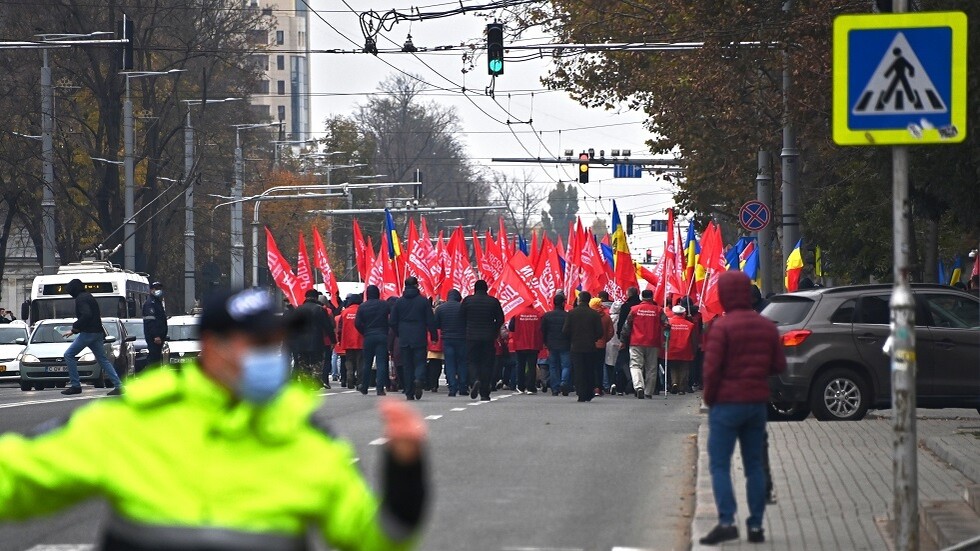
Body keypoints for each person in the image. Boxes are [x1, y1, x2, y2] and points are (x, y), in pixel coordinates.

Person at [0, 287, 429, 550]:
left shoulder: (306, 440)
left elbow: (376, 537)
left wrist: (405, 471)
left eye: (273, 343)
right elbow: (16, 478)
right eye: (255, 343)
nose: (268, 355)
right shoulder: (133, 422)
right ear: (212, 346)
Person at [698, 272, 787, 546]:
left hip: (726, 405)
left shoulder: (721, 328)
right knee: (754, 466)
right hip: (756, 404)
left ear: (725, 295)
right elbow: (779, 365)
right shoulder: (766, 326)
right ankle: (756, 525)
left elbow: (711, 371)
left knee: (720, 464)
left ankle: (727, 522)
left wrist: (710, 398)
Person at [60, 279, 124, 396]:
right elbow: (92, 316)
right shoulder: (88, 296)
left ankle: (75, 385)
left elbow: (86, 314)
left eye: (70, 291)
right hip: (97, 332)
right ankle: (118, 385)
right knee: (103, 360)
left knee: (68, 355)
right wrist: (75, 330)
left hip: (88, 333)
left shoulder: (80, 299)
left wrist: (75, 327)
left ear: (74, 290)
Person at [389, 277, 437, 401]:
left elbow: (392, 321)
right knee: (420, 362)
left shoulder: (399, 302)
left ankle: (409, 392)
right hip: (419, 335)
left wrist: (399, 333)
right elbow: (430, 320)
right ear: (416, 285)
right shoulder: (423, 301)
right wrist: (434, 336)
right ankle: (419, 379)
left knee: (407, 365)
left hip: (404, 336)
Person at [460, 279, 504, 401]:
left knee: (472, 361)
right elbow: (500, 319)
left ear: (475, 289)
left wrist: (466, 330)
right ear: (486, 289)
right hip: (488, 337)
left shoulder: (468, 301)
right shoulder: (493, 301)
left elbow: (461, 317)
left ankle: (475, 379)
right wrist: (494, 330)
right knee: (486, 364)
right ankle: (485, 393)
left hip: (471, 336)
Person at [562, 291, 603, 403]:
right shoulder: (594, 314)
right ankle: (589, 392)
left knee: (578, 370)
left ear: (579, 300)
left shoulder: (572, 313)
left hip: (576, 346)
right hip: (590, 346)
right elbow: (600, 332)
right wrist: (594, 338)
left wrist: (572, 338)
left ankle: (581, 393)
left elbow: (565, 330)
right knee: (589, 369)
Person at [621, 289, 663, 399]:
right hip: (653, 342)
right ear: (652, 297)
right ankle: (649, 391)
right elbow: (666, 324)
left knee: (635, 365)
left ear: (642, 297)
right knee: (652, 367)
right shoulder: (659, 310)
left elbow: (627, 326)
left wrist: (623, 340)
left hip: (636, 341)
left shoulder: (634, 309)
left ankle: (639, 386)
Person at [290, 289, 333, 388]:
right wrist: (333, 340)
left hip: (301, 341)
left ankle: (306, 383)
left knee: (303, 362)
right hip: (316, 340)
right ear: (316, 297)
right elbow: (327, 326)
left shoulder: (298, 309)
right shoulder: (320, 309)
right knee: (317, 361)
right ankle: (316, 380)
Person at [355, 285, 391, 396]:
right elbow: (391, 319)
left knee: (367, 362)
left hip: (368, 335)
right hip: (382, 334)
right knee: (381, 362)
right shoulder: (384, 305)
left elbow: (357, 323)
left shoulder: (362, 307)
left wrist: (364, 332)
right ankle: (380, 388)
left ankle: (364, 386)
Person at [434, 289, 467, 397]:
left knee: (449, 363)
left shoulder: (441, 308)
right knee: (462, 362)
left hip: (447, 338)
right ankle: (463, 387)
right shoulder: (463, 308)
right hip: (461, 338)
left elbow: (436, 324)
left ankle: (452, 388)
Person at [508, 302, 543, 394]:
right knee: (532, 366)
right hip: (533, 342)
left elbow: (511, 328)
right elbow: (542, 328)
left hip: (520, 343)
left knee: (520, 365)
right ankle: (530, 387)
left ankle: (520, 386)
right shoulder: (538, 314)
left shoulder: (517, 313)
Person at [540, 293, 571, 396]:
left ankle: (555, 388)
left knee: (553, 366)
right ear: (563, 303)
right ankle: (564, 382)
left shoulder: (547, 316)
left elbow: (543, 330)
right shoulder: (567, 315)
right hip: (565, 343)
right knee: (566, 365)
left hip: (551, 344)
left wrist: (545, 342)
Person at [665, 304, 695, 395]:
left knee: (673, 368)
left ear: (674, 313)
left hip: (672, 348)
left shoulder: (669, 323)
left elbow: (665, 336)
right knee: (684, 368)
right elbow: (693, 339)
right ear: (683, 313)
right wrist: (694, 350)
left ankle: (674, 383)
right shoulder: (690, 325)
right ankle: (681, 388)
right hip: (686, 349)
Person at [338, 294, 364, 389]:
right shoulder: (362, 310)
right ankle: (360, 382)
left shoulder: (344, 312)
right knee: (360, 362)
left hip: (347, 341)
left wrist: (340, 340)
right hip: (360, 340)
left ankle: (349, 376)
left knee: (349, 361)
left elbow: (339, 328)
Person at [141, 281, 168, 369]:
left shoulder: (157, 302)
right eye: (156, 288)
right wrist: (156, 336)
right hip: (154, 338)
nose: (158, 290)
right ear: (151, 290)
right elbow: (150, 322)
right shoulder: (150, 304)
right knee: (153, 360)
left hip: (159, 337)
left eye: (159, 288)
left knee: (156, 359)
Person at [590, 297, 613, 396]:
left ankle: (592, 386)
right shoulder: (606, 317)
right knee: (600, 367)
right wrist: (604, 340)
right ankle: (599, 387)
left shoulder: (589, 316)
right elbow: (611, 332)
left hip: (590, 344)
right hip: (602, 345)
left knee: (591, 366)